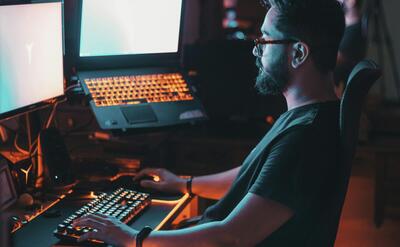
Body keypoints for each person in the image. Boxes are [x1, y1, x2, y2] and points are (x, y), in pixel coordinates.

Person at [74, 0, 346, 246]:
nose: (255, 50)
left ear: (298, 53)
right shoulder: (310, 116)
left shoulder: (304, 138)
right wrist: (185, 184)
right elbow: (257, 180)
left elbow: (232, 237)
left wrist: (133, 239)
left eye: (265, 40)